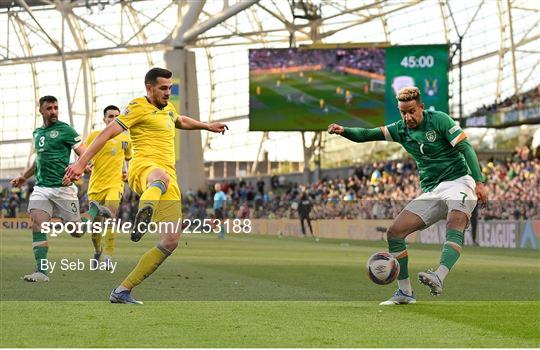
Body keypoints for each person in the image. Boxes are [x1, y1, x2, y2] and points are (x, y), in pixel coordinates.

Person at [63, 68, 228, 304]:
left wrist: (206, 126)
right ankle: (145, 212)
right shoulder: (138, 106)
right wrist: (80, 163)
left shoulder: (168, 108)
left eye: (170, 88)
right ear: (149, 88)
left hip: (168, 178)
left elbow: (179, 120)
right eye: (163, 88)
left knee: (171, 240)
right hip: (144, 168)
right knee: (160, 176)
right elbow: (106, 134)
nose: (168, 92)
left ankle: (122, 290)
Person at [328, 86, 487, 305]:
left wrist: (479, 181)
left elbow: (466, 148)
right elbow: (367, 134)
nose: (407, 117)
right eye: (403, 112)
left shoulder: (439, 120)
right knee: (395, 233)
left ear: (421, 107)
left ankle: (439, 276)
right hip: (432, 190)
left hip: (460, 181)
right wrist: (343, 130)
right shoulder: (400, 129)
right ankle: (404, 292)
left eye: (411, 111)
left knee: (455, 221)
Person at [10, 95, 111, 283]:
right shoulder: (37, 133)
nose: (53, 111)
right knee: (37, 223)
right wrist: (24, 176)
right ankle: (41, 271)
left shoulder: (65, 130)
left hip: (63, 189)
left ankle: (95, 208)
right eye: (49, 108)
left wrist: (83, 165)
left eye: (56, 108)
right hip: (42, 188)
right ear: (40, 110)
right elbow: (39, 160)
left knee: (77, 231)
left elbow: (83, 151)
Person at [85, 105, 132, 269]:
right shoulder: (94, 136)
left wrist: (127, 172)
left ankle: (108, 256)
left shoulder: (126, 139)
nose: (113, 119)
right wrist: (85, 165)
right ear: (104, 119)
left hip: (115, 184)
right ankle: (98, 251)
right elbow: (83, 154)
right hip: (96, 187)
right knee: (96, 226)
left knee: (111, 216)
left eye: (116, 116)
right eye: (110, 116)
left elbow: (128, 158)